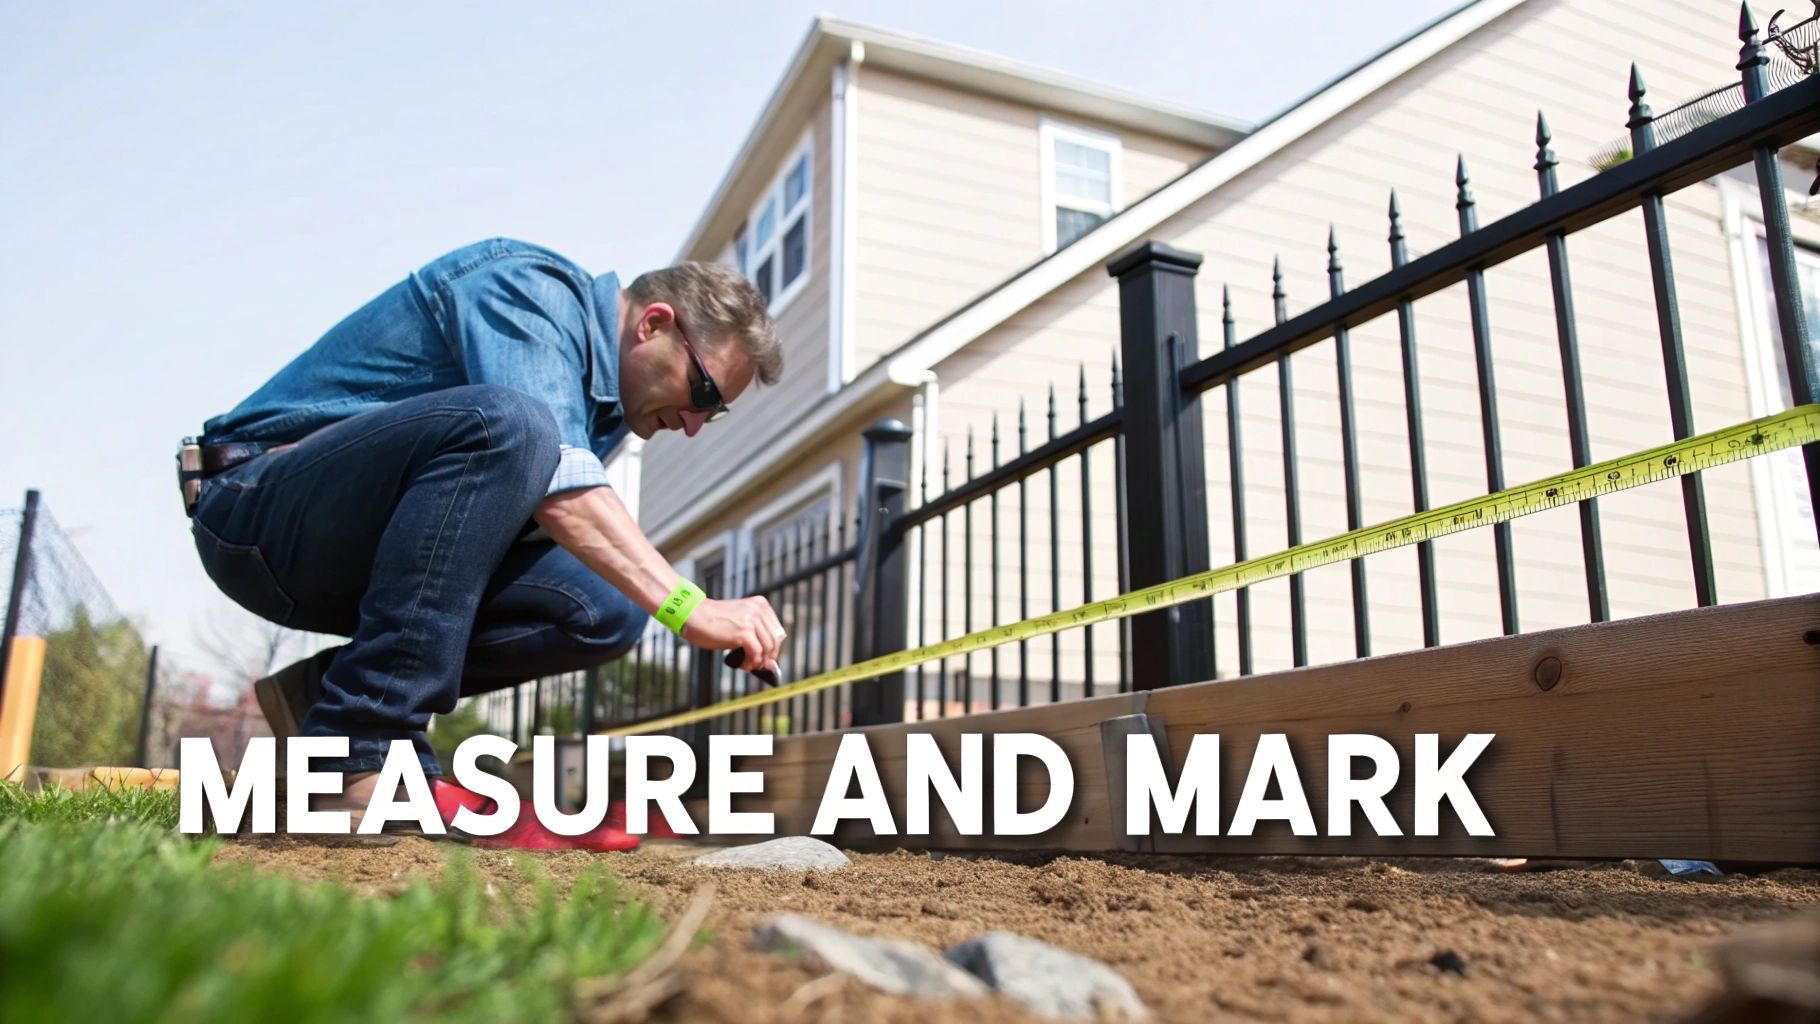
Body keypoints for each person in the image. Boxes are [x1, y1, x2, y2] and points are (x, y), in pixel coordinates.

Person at [182, 238, 787, 824]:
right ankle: (359, 749)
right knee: (515, 427)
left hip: (358, 556)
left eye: (712, 413)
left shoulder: (606, 409)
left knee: (606, 607)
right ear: (653, 324)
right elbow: (560, 483)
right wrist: (688, 605)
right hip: (256, 510)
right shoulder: (529, 292)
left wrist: (653, 597)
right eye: (700, 391)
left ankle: (325, 700)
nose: (691, 425)